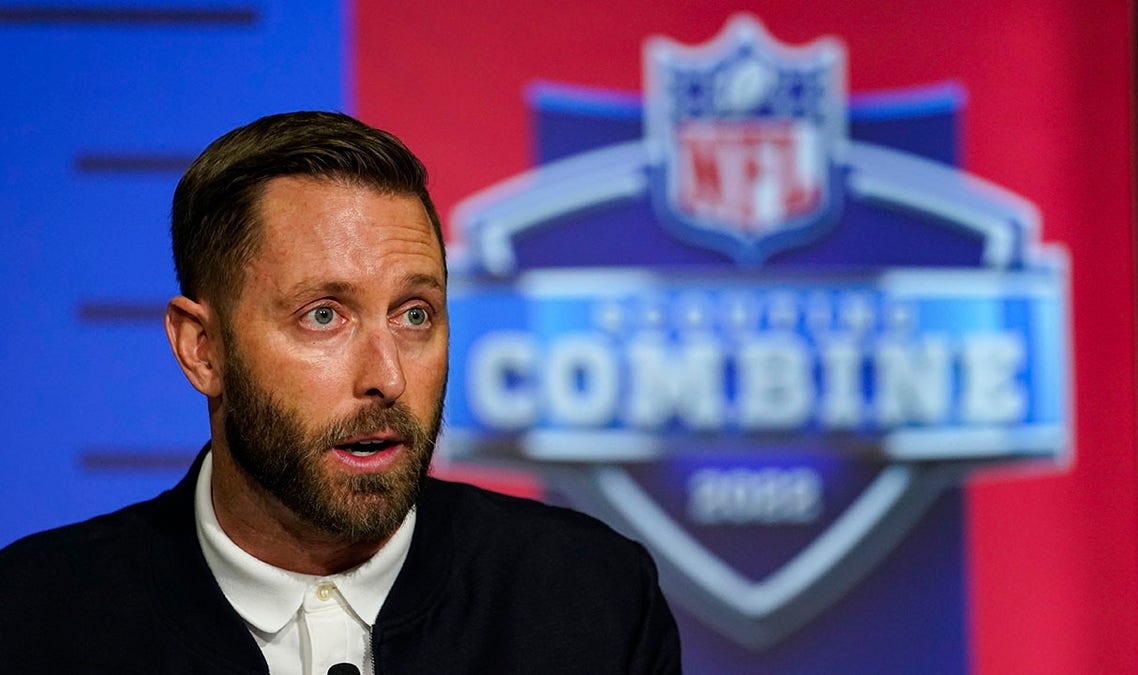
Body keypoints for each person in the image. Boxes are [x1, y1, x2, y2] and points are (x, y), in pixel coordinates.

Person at [0, 111, 681, 674]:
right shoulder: (34, 620)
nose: (386, 376)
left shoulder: (591, 598)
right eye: (323, 314)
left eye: (415, 313)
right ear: (201, 348)